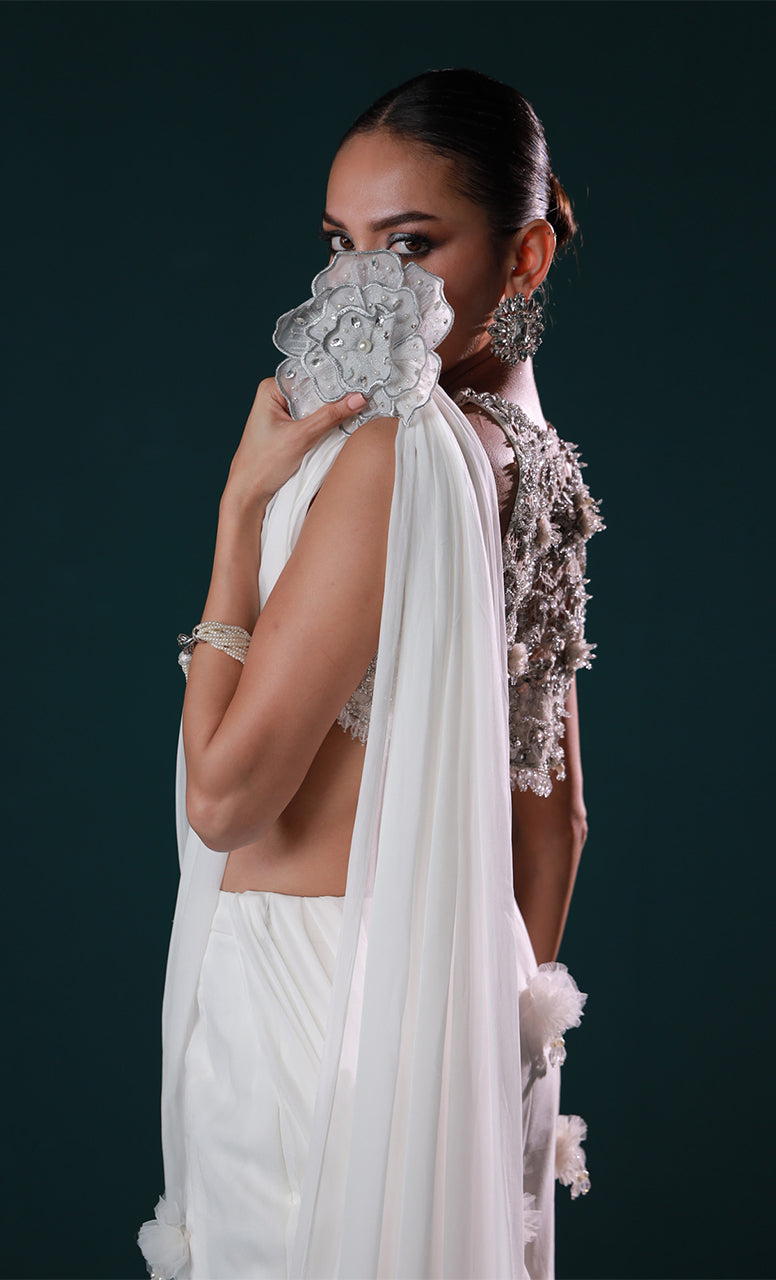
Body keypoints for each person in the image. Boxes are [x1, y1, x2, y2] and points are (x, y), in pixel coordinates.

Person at [138, 68, 603, 1280]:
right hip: (458, 998)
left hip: (308, 1001)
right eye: (340, 243)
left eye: (409, 245)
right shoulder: (542, 465)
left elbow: (225, 799)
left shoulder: (393, 455)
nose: (361, 285)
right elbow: (555, 821)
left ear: (525, 256)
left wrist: (239, 517)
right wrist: (469, 1040)